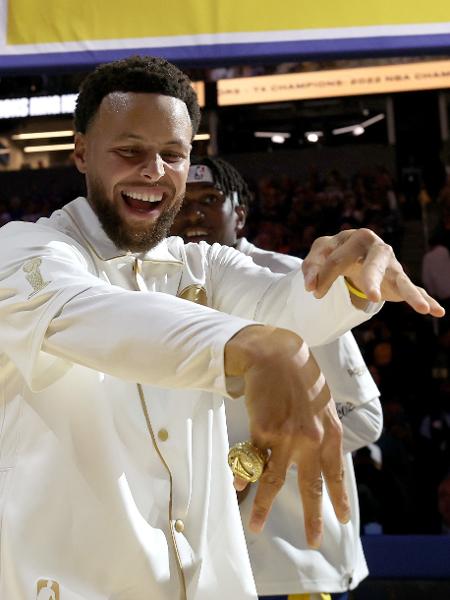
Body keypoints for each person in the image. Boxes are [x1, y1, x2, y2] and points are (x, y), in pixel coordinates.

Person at [0, 56, 443, 600]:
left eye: (173, 155)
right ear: (80, 152)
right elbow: (94, 314)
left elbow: (285, 302)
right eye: (129, 151)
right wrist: (249, 344)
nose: (154, 171)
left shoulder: (202, 264)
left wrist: (345, 280)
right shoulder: (24, 251)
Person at [172, 157, 383, 600]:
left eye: (210, 200)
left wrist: (249, 458)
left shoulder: (294, 280)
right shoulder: (154, 292)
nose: (194, 214)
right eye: (183, 202)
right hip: (197, 567)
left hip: (297, 562)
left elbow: (362, 417)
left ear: (240, 214)